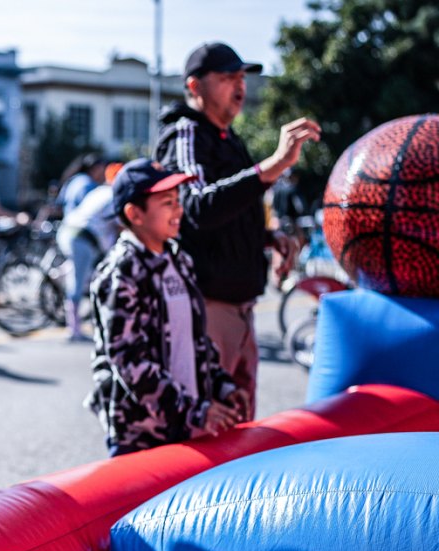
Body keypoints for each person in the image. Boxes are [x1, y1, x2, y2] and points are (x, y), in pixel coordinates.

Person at [154, 41, 321, 418]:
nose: (240, 85)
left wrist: (267, 238)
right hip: (208, 307)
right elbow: (195, 208)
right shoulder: (187, 132)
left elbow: (223, 213)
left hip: (240, 304)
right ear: (195, 87)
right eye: (228, 77)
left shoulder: (229, 139)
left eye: (242, 77)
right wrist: (272, 166)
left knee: (240, 424)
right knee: (211, 427)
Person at [85, 158, 250, 457]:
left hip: (185, 426)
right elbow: (128, 360)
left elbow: (197, 340)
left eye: (177, 200)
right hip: (140, 434)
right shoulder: (122, 272)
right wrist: (193, 410)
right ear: (134, 213)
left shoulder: (179, 260)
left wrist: (223, 385)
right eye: (167, 203)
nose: (178, 210)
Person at [55, 161, 124, 341]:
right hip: (82, 238)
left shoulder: (99, 191)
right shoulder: (114, 196)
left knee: (83, 273)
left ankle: (61, 273)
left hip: (68, 231)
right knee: (78, 283)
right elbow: (119, 226)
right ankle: (74, 328)